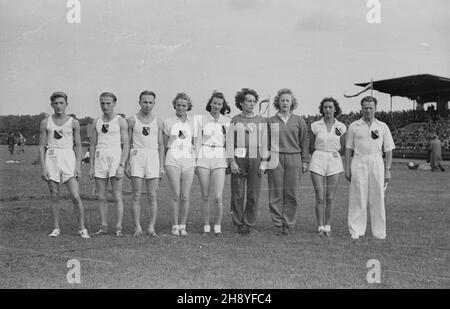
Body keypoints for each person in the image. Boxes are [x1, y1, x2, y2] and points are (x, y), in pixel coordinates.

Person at [39, 91, 89, 238]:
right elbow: (41, 146)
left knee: (75, 195)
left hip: (68, 157)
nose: (59, 106)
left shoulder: (73, 122)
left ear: (66, 104)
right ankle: (56, 228)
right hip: (52, 157)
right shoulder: (45, 122)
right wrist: (43, 167)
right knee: (54, 195)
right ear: (52, 105)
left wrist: (78, 166)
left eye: (61, 103)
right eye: (56, 103)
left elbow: (79, 145)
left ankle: (82, 228)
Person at [345, 96, 395, 240]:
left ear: (375, 109)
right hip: (359, 160)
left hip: (376, 161)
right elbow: (348, 149)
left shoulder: (382, 126)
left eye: (371, 108)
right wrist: (347, 168)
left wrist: (388, 169)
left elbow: (389, 150)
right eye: (365, 108)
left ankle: (379, 232)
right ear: (361, 108)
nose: (368, 111)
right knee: (358, 196)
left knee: (378, 196)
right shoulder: (354, 126)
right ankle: (356, 230)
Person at [266, 89, 309, 236]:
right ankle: (278, 225)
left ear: (292, 103)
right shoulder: (271, 120)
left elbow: (304, 141)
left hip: (294, 158)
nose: (284, 103)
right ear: (278, 102)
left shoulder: (299, 120)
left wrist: (304, 160)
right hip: (275, 158)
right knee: (276, 192)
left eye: (287, 100)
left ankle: (288, 225)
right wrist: (265, 162)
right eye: (282, 100)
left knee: (292, 193)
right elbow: (266, 143)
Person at [227, 88, 268, 235]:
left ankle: (249, 224)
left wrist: (264, 161)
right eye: (248, 101)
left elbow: (264, 142)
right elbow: (230, 141)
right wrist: (231, 161)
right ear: (241, 102)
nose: (252, 104)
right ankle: (238, 223)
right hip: (239, 158)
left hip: (256, 158)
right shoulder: (235, 120)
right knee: (237, 193)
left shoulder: (261, 120)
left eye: (253, 101)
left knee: (253, 194)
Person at [89, 92, 129, 237]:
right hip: (100, 158)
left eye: (108, 103)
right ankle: (104, 227)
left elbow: (126, 144)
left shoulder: (120, 121)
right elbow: (92, 144)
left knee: (117, 196)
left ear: (114, 104)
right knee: (101, 196)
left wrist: (122, 165)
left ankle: (118, 228)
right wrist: (91, 166)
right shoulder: (96, 121)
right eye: (102, 103)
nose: (105, 106)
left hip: (115, 158)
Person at [126, 90, 165, 237]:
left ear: (154, 103)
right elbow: (128, 143)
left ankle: (151, 227)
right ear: (139, 102)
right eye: (145, 102)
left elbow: (161, 145)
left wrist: (161, 166)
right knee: (136, 195)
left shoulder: (158, 121)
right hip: (137, 156)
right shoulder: (132, 120)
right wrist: (127, 164)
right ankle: (137, 227)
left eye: (150, 102)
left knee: (152, 195)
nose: (147, 105)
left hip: (152, 156)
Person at [194, 91, 231, 236]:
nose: (216, 106)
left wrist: (229, 159)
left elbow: (229, 143)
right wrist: (196, 161)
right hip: (203, 156)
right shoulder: (201, 119)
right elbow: (197, 141)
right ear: (210, 104)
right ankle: (206, 226)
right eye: (214, 103)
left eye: (219, 104)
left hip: (219, 157)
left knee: (218, 196)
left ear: (223, 106)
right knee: (205, 195)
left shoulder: (227, 121)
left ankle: (217, 226)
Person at [309, 97, 346, 237]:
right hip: (318, 159)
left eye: (330, 107)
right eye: (325, 107)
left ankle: (328, 226)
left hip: (334, 160)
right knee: (319, 197)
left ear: (335, 109)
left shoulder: (341, 127)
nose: (328, 110)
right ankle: (320, 226)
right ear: (322, 109)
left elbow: (342, 146)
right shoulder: (315, 125)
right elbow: (311, 145)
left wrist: (332, 154)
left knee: (330, 197)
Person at [163, 93, 196, 236]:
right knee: (175, 194)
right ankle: (175, 225)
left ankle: (183, 226)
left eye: (184, 105)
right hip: (172, 158)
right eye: (178, 105)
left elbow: (195, 143)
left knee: (185, 195)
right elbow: (164, 144)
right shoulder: (168, 122)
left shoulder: (194, 122)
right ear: (174, 106)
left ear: (188, 106)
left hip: (188, 158)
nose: (181, 108)